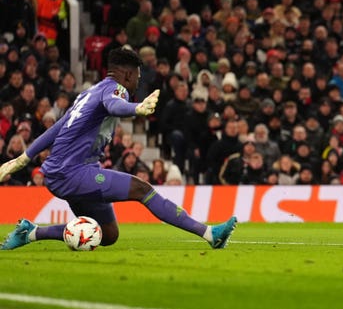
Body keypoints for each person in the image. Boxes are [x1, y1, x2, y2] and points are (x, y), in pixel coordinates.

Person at [0, 47, 236, 251]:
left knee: (108, 234)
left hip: (62, 172)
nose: (137, 83)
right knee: (142, 188)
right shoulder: (117, 89)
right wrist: (137, 108)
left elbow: (57, 128)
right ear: (127, 74)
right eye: (137, 77)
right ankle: (209, 233)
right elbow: (115, 104)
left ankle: (30, 233)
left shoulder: (88, 94)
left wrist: (24, 157)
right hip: (71, 172)